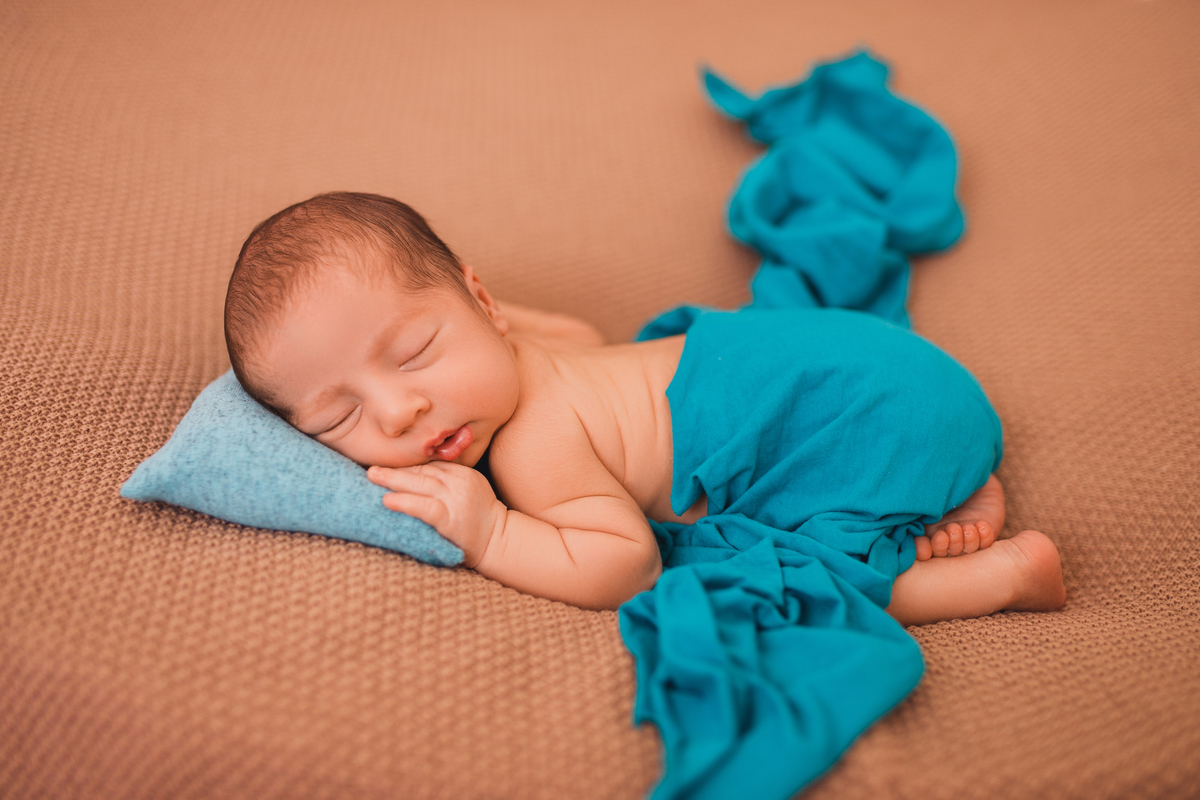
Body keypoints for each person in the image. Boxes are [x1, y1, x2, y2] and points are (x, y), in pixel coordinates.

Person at [224, 192, 1067, 620]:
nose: (400, 412)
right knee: (866, 437)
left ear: (482, 301)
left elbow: (625, 564)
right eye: (339, 419)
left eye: (413, 353)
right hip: (888, 369)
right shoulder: (529, 345)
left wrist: (491, 532)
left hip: (847, 411)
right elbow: (579, 334)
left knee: (793, 585)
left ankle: (1002, 576)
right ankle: (952, 478)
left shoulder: (532, 445)